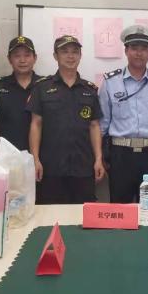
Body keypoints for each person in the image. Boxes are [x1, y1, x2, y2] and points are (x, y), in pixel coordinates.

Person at [27, 35, 105, 204]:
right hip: (51, 168)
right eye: (65, 51)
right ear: (55, 56)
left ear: (80, 56)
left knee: (83, 215)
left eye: (75, 52)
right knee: (51, 214)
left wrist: (99, 159)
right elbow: (36, 124)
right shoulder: (42, 87)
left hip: (83, 167)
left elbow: (94, 126)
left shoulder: (89, 89)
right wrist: (35, 159)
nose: (70, 56)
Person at [99, 25, 148, 203]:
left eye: (144, 48)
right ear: (126, 50)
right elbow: (102, 125)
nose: (139, 53)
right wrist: (99, 156)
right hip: (120, 155)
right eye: (134, 48)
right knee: (120, 209)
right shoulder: (110, 83)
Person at [0, 36, 42, 151]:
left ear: (35, 58)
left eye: (27, 55)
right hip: (7, 154)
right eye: (17, 56)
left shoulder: (45, 86)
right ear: (9, 59)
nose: (22, 60)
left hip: (40, 155)